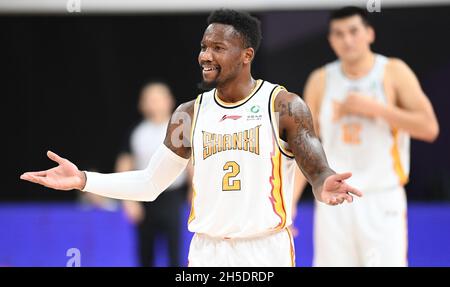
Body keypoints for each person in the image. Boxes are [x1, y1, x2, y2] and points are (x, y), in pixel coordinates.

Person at [20, 9, 362, 267]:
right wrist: (83, 180)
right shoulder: (189, 114)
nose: (205, 56)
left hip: (265, 250)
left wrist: (324, 182)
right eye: (203, 47)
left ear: (246, 55)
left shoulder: (283, 105)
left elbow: (315, 166)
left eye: (217, 47)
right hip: (206, 251)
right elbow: (150, 183)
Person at [299, 6, 439, 267]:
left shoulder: (393, 71)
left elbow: (429, 128)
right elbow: (306, 147)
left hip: (381, 196)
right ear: (331, 40)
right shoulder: (320, 80)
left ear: (370, 33)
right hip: (334, 198)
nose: (347, 40)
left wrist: (376, 109)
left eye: (353, 31)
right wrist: (290, 203)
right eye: (339, 34)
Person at [115, 81, 188, 267]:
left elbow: (192, 162)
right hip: (144, 199)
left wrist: (195, 192)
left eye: (158, 98)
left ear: (169, 101)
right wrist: (128, 201)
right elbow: (125, 164)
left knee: (175, 251)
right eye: (150, 99)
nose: (154, 103)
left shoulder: (179, 129)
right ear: (142, 104)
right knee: (145, 252)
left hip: (172, 198)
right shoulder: (136, 132)